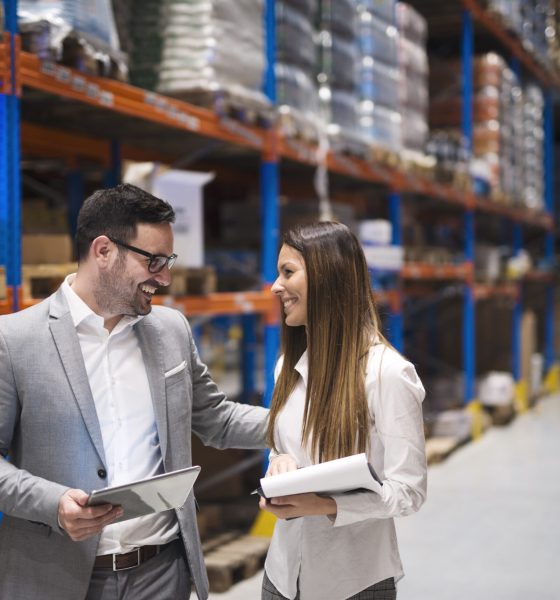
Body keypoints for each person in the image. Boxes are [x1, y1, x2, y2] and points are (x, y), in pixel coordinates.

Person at [0, 183, 269, 600]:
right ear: (103, 251)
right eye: (154, 261)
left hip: (162, 574)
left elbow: (217, 420)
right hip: (60, 578)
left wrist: (311, 419)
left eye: (169, 261)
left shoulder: (170, 330)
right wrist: (52, 503)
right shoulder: (14, 341)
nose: (164, 278)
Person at [260, 221, 427, 600]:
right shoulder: (288, 364)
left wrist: (323, 505)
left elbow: (408, 492)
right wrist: (281, 462)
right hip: (282, 577)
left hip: (352, 582)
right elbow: (281, 446)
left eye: (288, 272)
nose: (275, 286)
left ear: (326, 277)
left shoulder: (387, 374)